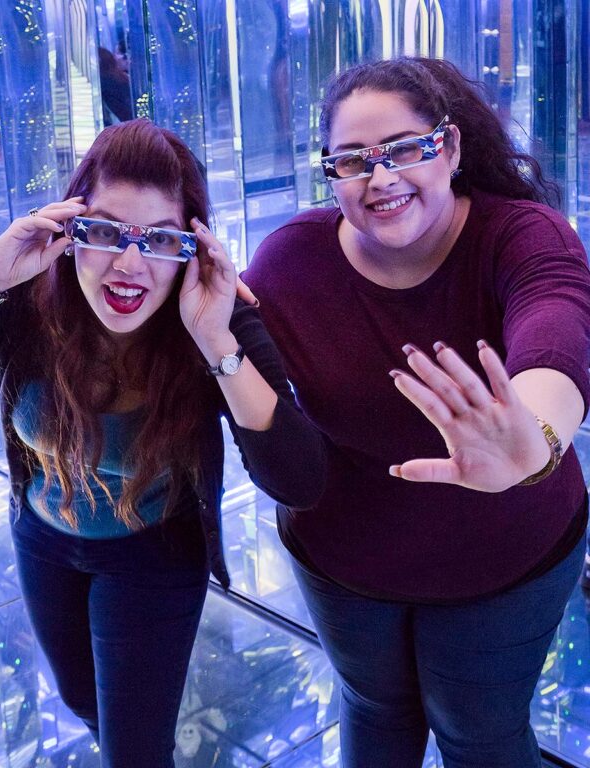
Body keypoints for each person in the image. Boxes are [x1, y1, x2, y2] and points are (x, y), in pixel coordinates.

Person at [0, 119, 325, 766]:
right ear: (70, 232)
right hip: (44, 537)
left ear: (192, 248)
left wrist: (215, 342)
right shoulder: (33, 297)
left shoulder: (213, 315)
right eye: (104, 233)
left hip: (155, 551)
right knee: (80, 697)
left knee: (136, 750)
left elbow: (299, 479)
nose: (129, 263)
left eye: (159, 241)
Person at [243, 56, 590, 768]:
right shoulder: (288, 264)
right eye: (353, 162)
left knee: (479, 735)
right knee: (373, 715)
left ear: (452, 147)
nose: (383, 179)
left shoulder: (522, 235)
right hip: (345, 561)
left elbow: (556, 329)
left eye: (406, 149)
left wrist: (536, 440)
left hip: (506, 559)